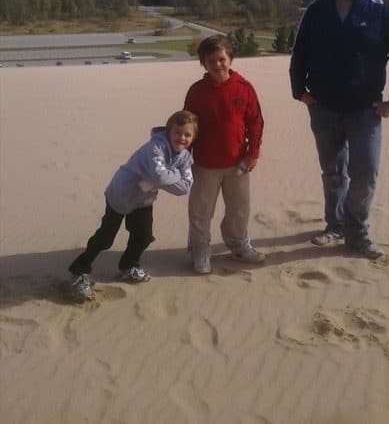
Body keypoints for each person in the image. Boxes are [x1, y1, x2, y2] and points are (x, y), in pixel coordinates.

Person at [289, 0, 389, 258]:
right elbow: (299, 52)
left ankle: (356, 231)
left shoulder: (383, 13)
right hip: (323, 108)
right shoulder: (317, 11)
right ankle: (335, 226)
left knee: (366, 173)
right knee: (333, 172)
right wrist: (299, 90)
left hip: (365, 111)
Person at [68, 110, 198, 300]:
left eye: (187, 134)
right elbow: (160, 176)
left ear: (193, 137)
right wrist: (172, 175)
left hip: (143, 200)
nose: (182, 138)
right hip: (121, 194)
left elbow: (185, 187)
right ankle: (79, 270)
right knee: (105, 238)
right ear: (169, 131)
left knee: (143, 236)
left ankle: (128, 265)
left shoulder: (185, 157)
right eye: (177, 132)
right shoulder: (155, 147)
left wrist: (160, 178)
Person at [184, 34, 265, 275]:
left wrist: (253, 153)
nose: (217, 65)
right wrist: (182, 158)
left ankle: (238, 245)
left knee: (239, 209)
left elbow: (256, 123)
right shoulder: (197, 91)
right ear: (203, 63)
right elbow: (187, 127)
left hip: (238, 163)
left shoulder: (244, 87)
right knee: (201, 211)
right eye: (211, 61)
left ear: (230, 58)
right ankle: (200, 250)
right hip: (205, 164)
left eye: (221, 59)